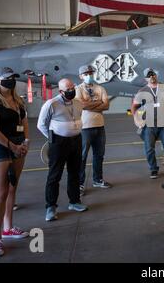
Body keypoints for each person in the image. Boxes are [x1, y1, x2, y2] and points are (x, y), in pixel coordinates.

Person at [0, 67, 29, 258]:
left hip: (18, 146)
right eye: (7, 78)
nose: (11, 81)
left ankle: (8, 228)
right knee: (0, 191)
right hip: (0, 147)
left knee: (12, 188)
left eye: (13, 78)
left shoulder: (18, 101)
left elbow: (24, 123)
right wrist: (11, 145)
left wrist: (25, 141)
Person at [37, 78, 88, 222]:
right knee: (55, 175)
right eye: (68, 89)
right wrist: (53, 138)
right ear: (60, 91)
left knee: (74, 173)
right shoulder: (51, 104)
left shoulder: (78, 103)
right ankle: (51, 207)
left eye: (73, 87)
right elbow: (41, 125)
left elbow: (77, 118)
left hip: (76, 140)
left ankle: (74, 202)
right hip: (58, 143)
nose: (72, 90)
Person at [131, 68, 164, 179]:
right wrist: (137, 119)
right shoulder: (142, 91)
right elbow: (134, 106)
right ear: (145, 78)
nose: (151, 77)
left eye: (152, 74)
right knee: (149, 148)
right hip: (149, 125)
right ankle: (153, 169)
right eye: (148, 75)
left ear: (156, 75)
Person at [75, 65, 111, 196]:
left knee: (99, 155)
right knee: (82, 157)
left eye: (90, 73)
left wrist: (90, 106)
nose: (89, 75)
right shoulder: (78, 89)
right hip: (85, 128)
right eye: (86, 73)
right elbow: (81, 105)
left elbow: (107, 105)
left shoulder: (100, 88)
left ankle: (98, 179)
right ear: (81, 76)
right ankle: (79, 183)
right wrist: (99, 104)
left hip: (99, 126)